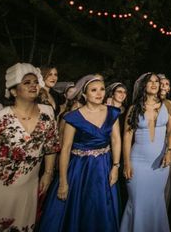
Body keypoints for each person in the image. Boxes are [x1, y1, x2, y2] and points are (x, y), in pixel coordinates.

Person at [0, 63, 60, 231]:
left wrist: (48, 172)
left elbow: (51, 146)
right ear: (14, 91)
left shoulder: (47, 113)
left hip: (27, 188)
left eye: (35, 82)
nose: (33, 85)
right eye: (26, 82)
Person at [38, 75, 122, 231]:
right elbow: (65, 149)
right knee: (76, 209)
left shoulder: (112, 113)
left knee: (101, 208)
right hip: (79, 169)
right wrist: (63, 181)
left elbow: (116, 140)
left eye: (102, 89)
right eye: (94, 90)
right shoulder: (73, 117)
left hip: (103, 167)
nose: (99, 93)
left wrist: (116, 166)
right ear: (84, 94)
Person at [120, 73, 171, 232]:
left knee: (156, 201)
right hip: (137, 162)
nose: (154, 84)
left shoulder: (167, 105)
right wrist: (126, 163)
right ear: (143, 85)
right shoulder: (134, 108)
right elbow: (127, 136)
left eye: (156, 81)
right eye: (150, 81)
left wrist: (169, 150)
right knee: (137, 202)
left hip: (160, 164)